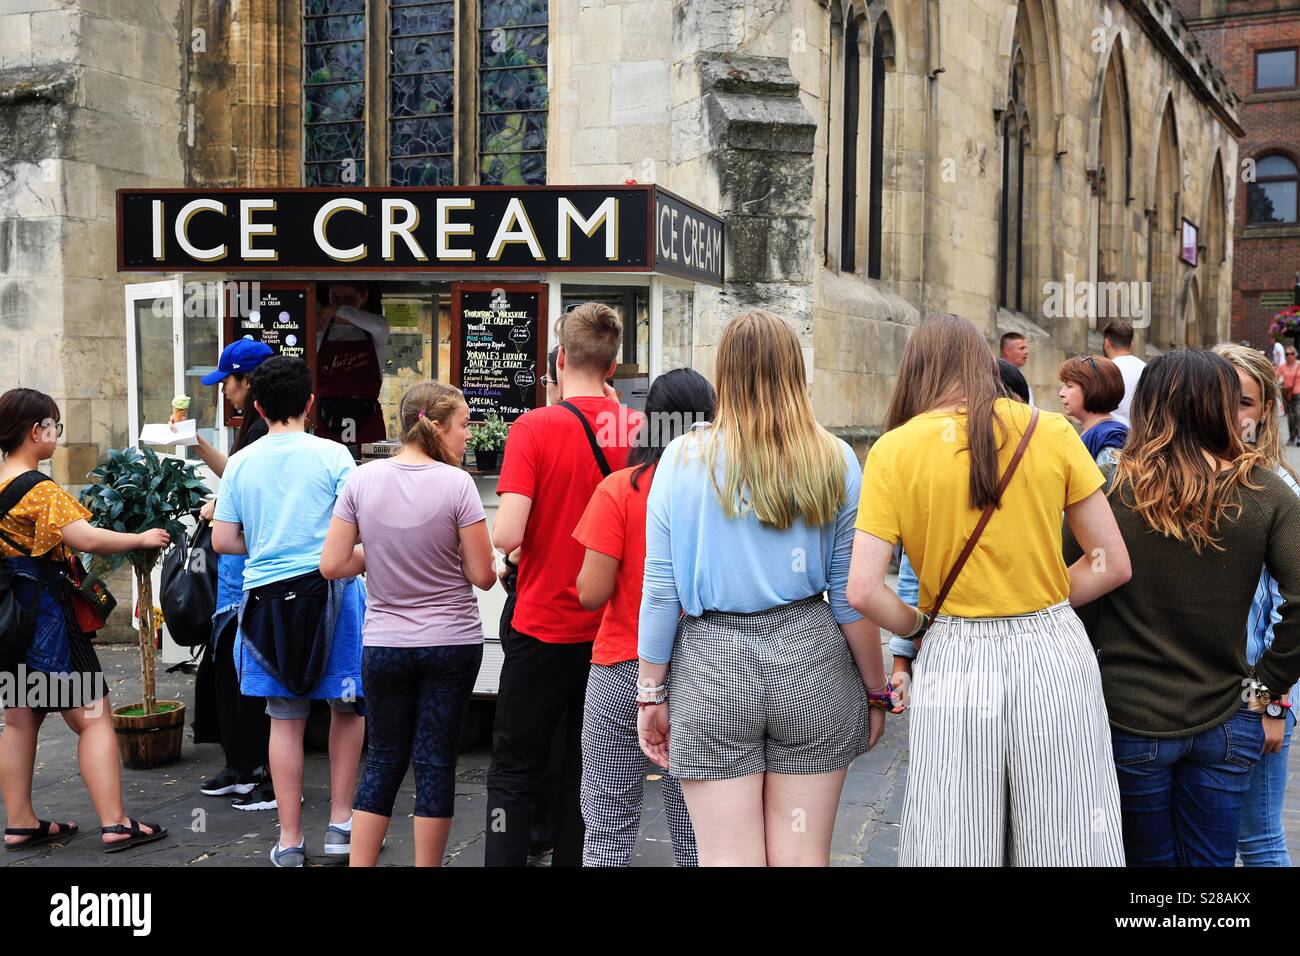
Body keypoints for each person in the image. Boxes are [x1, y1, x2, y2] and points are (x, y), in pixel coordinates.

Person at [848, 313, 1131, 866]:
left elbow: (862, 589)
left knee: (954, 839)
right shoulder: (1051, 431)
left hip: (957, 653)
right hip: (1052, 653)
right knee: (1067, 835)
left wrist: (918, 625)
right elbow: (1110, 563)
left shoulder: (894, 450)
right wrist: (1042, 598)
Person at [638, 310, 886, 868]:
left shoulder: (680, 458)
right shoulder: (836, 458)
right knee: (802, 856)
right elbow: (851, 597)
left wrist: (651, 692)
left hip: (712, 663)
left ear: (723, 375)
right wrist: (875, 691)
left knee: (729, 858)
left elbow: (660, 592)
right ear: (795, 372)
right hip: (810, 656)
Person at [1066, 349, 1300, 866]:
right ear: (1220, 406)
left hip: (1128, 715)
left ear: (1148, 406)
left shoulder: (1107, 492)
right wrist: (1266, 689)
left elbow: (1067, 597)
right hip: (1227, 714)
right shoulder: (1266, 492)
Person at [486, 302, 642, 867]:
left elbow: (507, 533)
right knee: (588, 767)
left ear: (558, 358)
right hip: (609, 631)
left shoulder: (533, 426)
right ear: (614, 363)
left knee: (515, 766)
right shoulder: (633, 428)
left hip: (542, 622)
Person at [322, 381, 495, 867]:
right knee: (435, 761)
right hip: (451, 643)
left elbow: (333, 564)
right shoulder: (458, 485)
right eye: (463, 425)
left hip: (385, 644)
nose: (468, 436)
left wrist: (378, 553)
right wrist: (449, 556)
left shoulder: (362, 480)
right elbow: (483, 575)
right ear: (435, 426)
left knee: (382, 759)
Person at [211, 356, 367, 867]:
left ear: (256, 405)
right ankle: (342, 825)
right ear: (310, 404)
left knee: (284, 717)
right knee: (345, 708)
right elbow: (359, 530)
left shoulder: (241, 463)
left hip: (263, 604)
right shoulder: (334, 456)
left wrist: (267, 541)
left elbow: (224, 540)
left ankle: (290, 839)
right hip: (334, 595)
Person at [0, 388, 170, 852]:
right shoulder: (39, 489)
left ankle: (19, 822)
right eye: (55, 427)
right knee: (94, 718)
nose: (56, 435)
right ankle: (115, 822)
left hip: (9, 620)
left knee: (19, 720)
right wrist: (138, 539)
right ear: (36, 431)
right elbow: (86, 538)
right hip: (48, 618)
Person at [574, 367, 713, 867]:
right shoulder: (717, 492)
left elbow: (590, 593)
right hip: (698, 666)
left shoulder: (619, 490)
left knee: (608, 821)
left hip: (620, 665)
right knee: (697, 826)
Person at [172, 339, 277, 810]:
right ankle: (240, 766)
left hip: (246, 577)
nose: (223, 392)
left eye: (227, 382)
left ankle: (254, 771)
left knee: (242, 675)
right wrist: (196, 443)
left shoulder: (262, 430)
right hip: (236, 575)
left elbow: (243, 495)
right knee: (228, 673)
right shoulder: (252, 429)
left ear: (248, 381)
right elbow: (234, 476)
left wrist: (218, 508)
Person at [889, 358, 1032, 684]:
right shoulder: (942, 475)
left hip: (1014, 645)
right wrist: (902, 657)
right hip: (952, 645)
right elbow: (912, 576)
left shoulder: (1037, 475)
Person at [1213, 343, 1300, 866]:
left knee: (1259, 837)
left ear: (1266, 409)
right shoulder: (1207, 478)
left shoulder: (1277, 489)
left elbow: (1285, 614)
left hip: (1255, 692)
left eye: (1243, 402)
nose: (1229, 415)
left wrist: (1269, 704)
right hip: (1209, 690)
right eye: (1218, 398)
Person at [315, 282, 389, 456]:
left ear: (364, 297)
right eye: (335, 298)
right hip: (325, 415)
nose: (341, 303)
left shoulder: (376, 329)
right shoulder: (320, 331)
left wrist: (337, 309)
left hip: (367, 415)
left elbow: (379, 325)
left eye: (350, 298)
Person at [1058, 355, 1128, 469]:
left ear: (1092, 389)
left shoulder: (1111, 438)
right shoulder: (1095, 432)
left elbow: (1109, 484)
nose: (1061, 393)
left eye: (1069, 386)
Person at [1101, 320, 1146, 428]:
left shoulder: (1104, 370)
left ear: (1106, 343)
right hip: (1140, 435)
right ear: (1131, 345)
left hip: (1111, 433)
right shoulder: (1146, 368)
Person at [999, 332, 1032, 404]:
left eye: (1026, 348)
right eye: (1021, 348)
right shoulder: (997, 376)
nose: (1026, 352)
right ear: (1008, 352)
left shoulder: (1021, 375)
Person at [1277, 345, 1300, 445]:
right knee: (1291, 417)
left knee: (1298, 415)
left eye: (1292, 354)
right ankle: (1291, 437)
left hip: (1298, 394)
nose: (1289, 356)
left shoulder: (1299, 365)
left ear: (1296, 355)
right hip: (1288, 395)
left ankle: (1299, 437)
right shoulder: (1282, 366)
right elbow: (1274, 376)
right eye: (1287, 354)